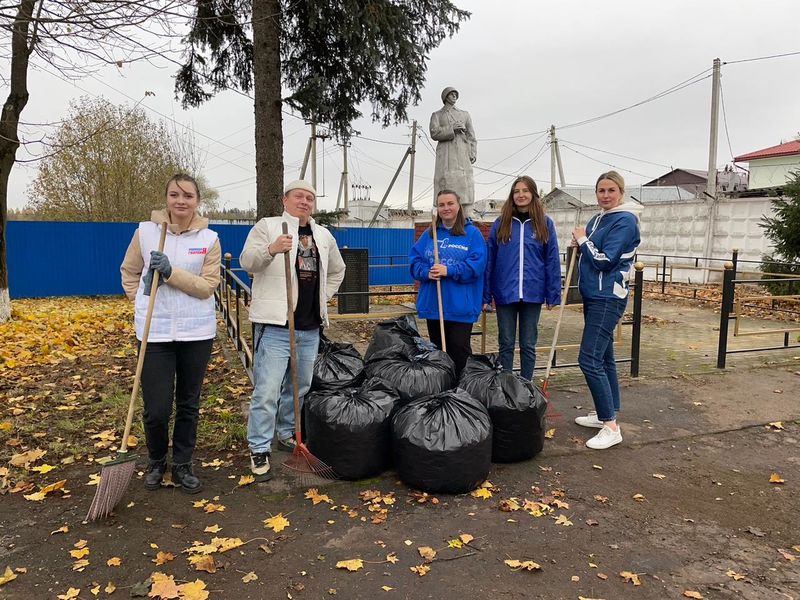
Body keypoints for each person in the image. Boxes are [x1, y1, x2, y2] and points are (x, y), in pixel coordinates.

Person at [120, 174, 221, 494]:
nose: (181, 201)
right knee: (157, 407)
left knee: (189, 403)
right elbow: (129, 271)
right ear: (166, 198)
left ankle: (182, 464)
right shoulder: (146, 232)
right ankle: (156, 461)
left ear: (197, 201)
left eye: (188, 196)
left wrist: (170, 273)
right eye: (175, 194)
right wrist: (139, 298)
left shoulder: (209, 238)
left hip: (196, 331)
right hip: (155, 331)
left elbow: (207, 287)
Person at [240, 180, 346, 481]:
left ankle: (287, 433)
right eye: (299, 196)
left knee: (298, 388)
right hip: (276, 325)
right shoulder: (268, 226)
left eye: (310, 198)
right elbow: (248, 261)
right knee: (267, 390)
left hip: (309, 327)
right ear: (285, 200)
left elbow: (338, 270)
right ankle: (259, 447)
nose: (305, 201)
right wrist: (272, 250)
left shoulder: (322, 235)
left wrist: (324, 298)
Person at [572, 171, 641, 450]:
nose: (606, 195)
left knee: (588, 359)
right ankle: (606, 414)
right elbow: (589, 252)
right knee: (604, 357)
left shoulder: (625, 220)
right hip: (593, 294)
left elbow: (605, 260)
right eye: (601, 190)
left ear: (621, 192)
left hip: (607, 297)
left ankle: (612, 427)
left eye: (611, 190)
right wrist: (578, 243)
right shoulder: (598, 218)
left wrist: (584, 241)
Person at [483, 176, 561, 381]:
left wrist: (553, 294)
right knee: (506, 342)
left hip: (532, 292)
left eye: (525, 190)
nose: (521, 195)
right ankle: (507, 386)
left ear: (533, 194)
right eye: (517, 191)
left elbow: (551, 259)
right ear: (512, 195)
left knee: (528, 344)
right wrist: (486, 295)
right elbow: (490, 258)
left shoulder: (545, 223)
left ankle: (527, 386)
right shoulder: (502, 223)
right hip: (504, 292)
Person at [409, 189, 487, 375]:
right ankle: (444, 393)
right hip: (435, 305)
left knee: (459, 350)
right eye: (441, 204)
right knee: (438, 353)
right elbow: (414, 261)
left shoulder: (472, 234)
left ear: (458, 206)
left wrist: (449, 270)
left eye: (450, 203)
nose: (446, 208)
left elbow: (477, 266)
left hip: (460, 306)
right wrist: (427, 272)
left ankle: (461, 393)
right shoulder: (430, 233)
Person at [429, 87, 477, 217]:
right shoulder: (437, 115)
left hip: (462, 151)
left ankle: (467, 211)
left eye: (456, 94)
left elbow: (471, 135)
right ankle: (442, 209)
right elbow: (434, 133)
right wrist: (451, 129)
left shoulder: (464, 114)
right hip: (446, 153)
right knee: (446, 181)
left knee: (465, 181)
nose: (454, 96)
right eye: (451, 94)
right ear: (445, 97)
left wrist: (472, 152)